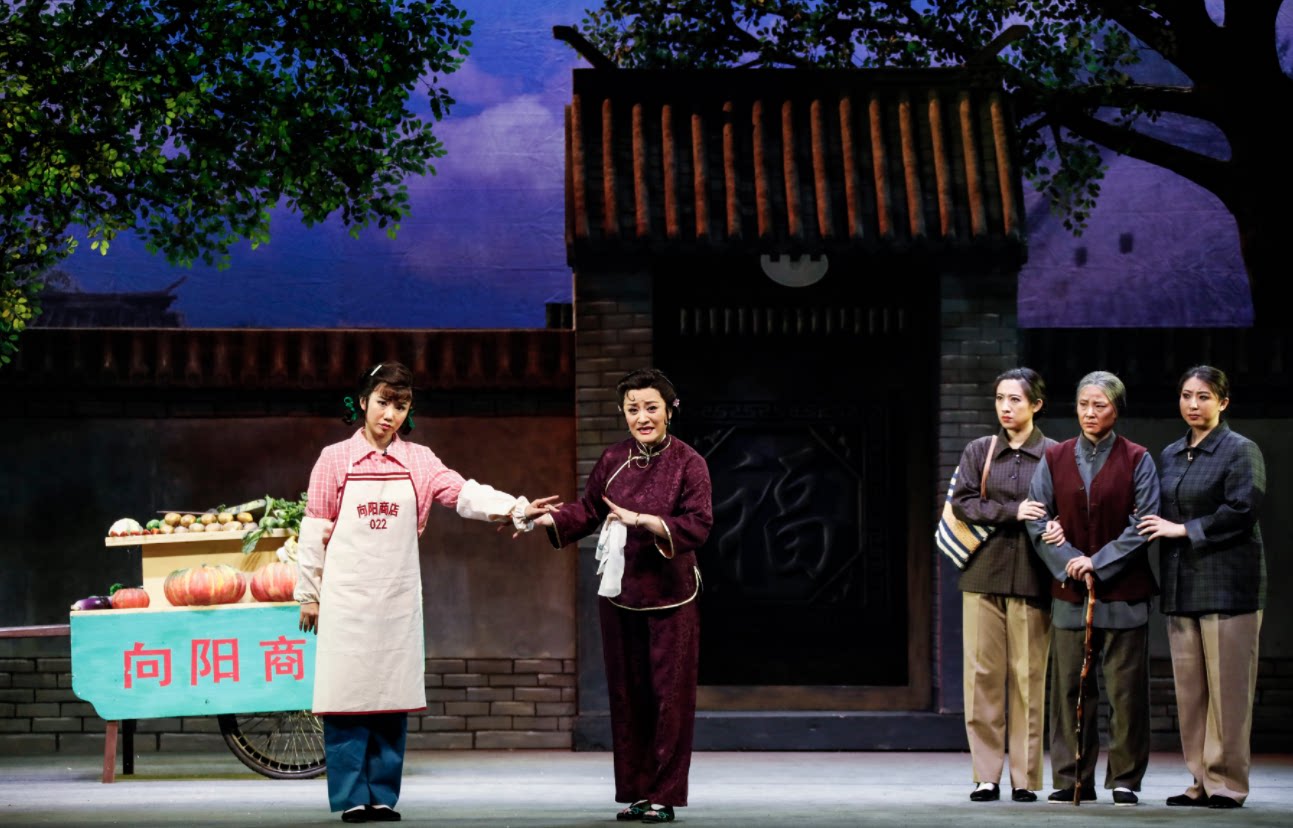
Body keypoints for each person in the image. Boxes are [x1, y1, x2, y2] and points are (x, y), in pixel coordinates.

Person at [294, 362, 559, 824]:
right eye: (383, 402)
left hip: (396, 599)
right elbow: (314, 528)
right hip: (346, 599)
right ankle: (352, 797)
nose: (390, 414)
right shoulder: (334, 459)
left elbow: (465, 494)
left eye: (400, 405)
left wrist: (517, 508)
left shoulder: (419, 461)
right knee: (347, 700)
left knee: (390, 699)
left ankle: (383, 796)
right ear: (363, 402)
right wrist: (309, 594)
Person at [530, 368, 713, 825]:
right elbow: (589, 510)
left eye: (651, 407)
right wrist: (547, 519)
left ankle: (664, 796)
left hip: (671, 594)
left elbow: (699, 523)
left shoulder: (689, 462)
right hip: (620, 591)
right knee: (629, 696)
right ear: (623, 413)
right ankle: (637, 792)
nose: (642, 417)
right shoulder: (614, 458)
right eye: (633, 409)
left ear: (669, 410)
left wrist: (648, 522)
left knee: (670, 697)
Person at [1026, 370, 1160, 806]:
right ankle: (1071, 777)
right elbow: (1037, 518)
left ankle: (1125, 778)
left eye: (1099, 405)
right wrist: (1069, 562)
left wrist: (1096, 563)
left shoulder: (1138, 458)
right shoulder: (1055, 457)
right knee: (1069, 689)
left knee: (1125, 691)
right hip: (1070, 592)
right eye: (1083, 404)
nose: (1089, 413)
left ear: (1116, 409)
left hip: (1124, 592)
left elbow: (1143, 524)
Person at [1137, 366, 1266, 809]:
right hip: (1182, 586)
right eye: (1187, 395)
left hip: (1228, 587)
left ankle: (1227, 783)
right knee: (1191, 694)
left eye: (1204, 396)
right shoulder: (1172, 453)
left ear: (1223, 402)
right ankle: (1201, 780)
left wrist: (1182, 530)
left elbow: (1242, 510)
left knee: (1228, 694)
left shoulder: (1240, 450)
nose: (1193, 404)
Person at [951, 368, 1057, 803]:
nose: (1006, 407)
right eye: (1000, 399)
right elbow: (962, 502)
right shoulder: (981, 450)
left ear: (1036, 405)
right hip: (982, 574)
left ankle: (1025, 777)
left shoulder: (1054, 454)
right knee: (982, 678)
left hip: (1033, 577)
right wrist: (1011, 512)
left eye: (1015, 399)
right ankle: (986, 775)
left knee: (1029, 678)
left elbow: (1064, 507)